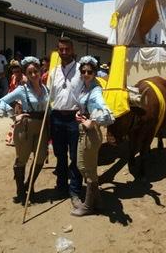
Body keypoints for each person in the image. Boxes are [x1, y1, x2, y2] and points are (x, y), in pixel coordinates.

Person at [0, 56, 49, 204]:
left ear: (40, 71)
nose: (34, 75)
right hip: (25, 128)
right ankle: (21, 190)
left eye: (36, 71)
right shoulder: (22, 90)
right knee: (22, 159)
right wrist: (14, 116)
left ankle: (30, 184)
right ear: (25, 74)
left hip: (42, 128)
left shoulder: (46, 88)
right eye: (30, 73)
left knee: (40, 158)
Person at [71, 56, 114, 216]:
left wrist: (93, 121)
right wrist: (80, 113)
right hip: (84, 130)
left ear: (95, 73)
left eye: (90, 71)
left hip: (90, 133)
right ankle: (98, 201)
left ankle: (89, 206)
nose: (86, 74)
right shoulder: (85, 87)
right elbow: (85, 105)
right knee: (86, 167)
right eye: (83, 71)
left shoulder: (95, 90)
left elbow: (105, 111)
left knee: (85, 168)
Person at [48, 37, 83, 208]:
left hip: (74, 119)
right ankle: (61, 185)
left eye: (67, 49)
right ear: (58, 50)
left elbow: (91, 91)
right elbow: (48, 96)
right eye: (61, 49)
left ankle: (75, 191)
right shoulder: (53, 71)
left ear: (72, 49)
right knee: (59, 154)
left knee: (76, 156)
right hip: (56, 117)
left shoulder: (81, 70)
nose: (64, 52)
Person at [5, 60, 27, 146]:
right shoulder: (13, 77)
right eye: (14, 71)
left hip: (22, 102)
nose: (16, 73)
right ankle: (15, 139)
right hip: (16, 101)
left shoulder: (24, 79)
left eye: (17, 71)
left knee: (20, 121)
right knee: (17, 120)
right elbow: (11, 89)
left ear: (21, 70)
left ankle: (16, 139)